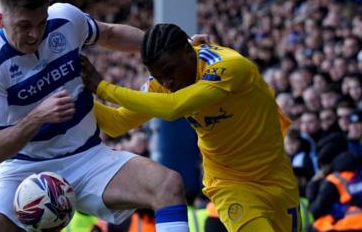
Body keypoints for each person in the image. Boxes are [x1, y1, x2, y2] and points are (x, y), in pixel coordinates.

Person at [0, 0, 193, 232]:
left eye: (41, 23)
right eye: (24, 26)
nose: (35, 34)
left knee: (168, 185)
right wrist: (37, 117)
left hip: (88, 157)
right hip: (25, 170)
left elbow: (109, 34)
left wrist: (181, 47)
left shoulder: (65, 18)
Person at [80, 23, 300, 231]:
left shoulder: (229, 66)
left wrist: (103, 88)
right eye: (159, 76)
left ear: (188, 50)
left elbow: (174, 107)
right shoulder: (164, 82)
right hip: (230, 183)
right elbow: (116, 124)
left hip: (275, 175)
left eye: (170, 71)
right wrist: (75, 95)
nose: (167, 83)